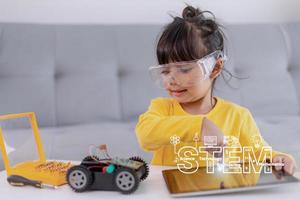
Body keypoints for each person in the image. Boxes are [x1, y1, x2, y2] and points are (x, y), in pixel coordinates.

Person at [135, 5, 297, 175]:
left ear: (214, 67)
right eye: (165, 71)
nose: (171, 80)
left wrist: (278, 158)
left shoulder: (238, 117)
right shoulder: (162, 109)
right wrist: (199, 126)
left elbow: (260, 154)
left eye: (184, 69)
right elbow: (146, 136)